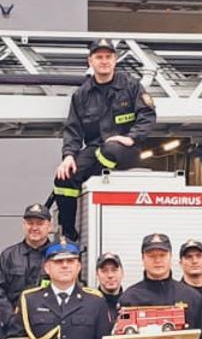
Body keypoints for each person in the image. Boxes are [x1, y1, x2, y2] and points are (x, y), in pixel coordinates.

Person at [52, 40, 156, 240]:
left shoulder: (132, 86)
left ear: (115, 60)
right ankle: (68, 231)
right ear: (90, 61)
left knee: (110, 150)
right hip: (95, 149)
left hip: (127, 150)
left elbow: (148, 115)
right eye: (99, 57)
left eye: (108, 56)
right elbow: (73, 130)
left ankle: (93, 176)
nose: (104, 61)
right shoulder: (81, 95)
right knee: (63, 177)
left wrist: (131, 138)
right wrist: (68, 156)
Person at [0, 203, 54, 305]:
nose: (34, 228)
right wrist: (10, 317)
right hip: (14, 318)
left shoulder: (57, 257)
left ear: (50, 227)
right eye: (30, 223)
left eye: (39, 223)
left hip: (49, 319)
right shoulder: (9, 255)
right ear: (23, 225)